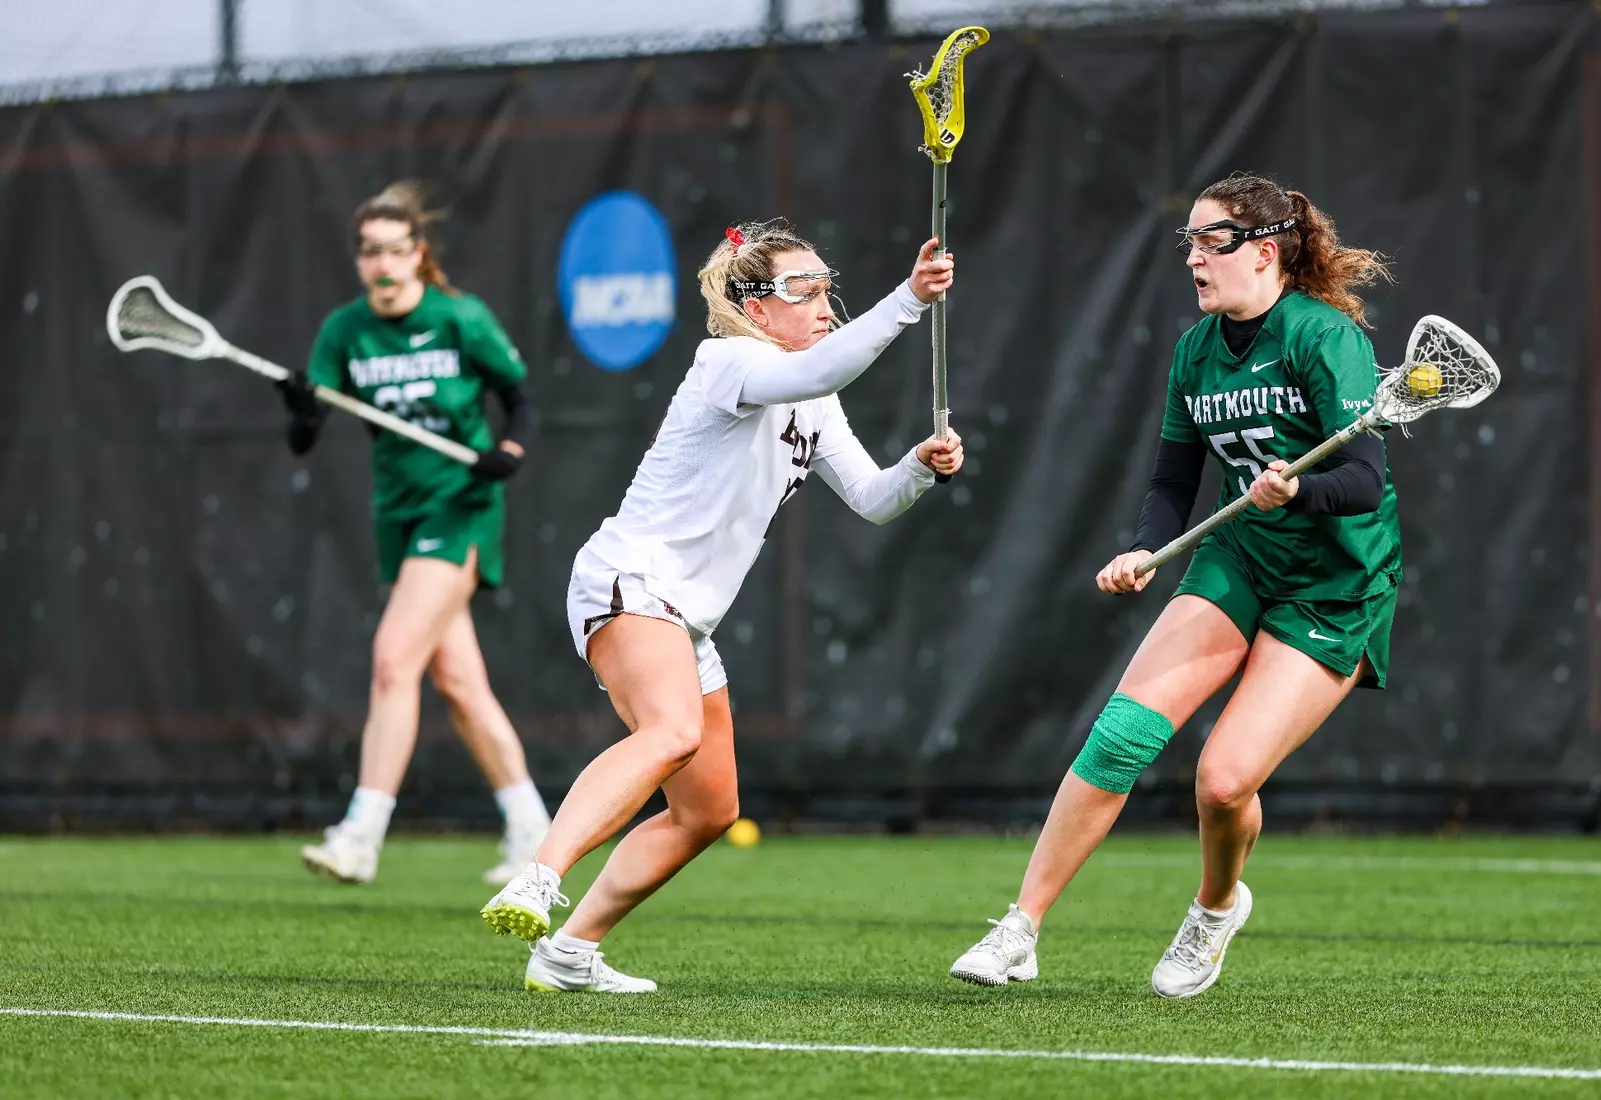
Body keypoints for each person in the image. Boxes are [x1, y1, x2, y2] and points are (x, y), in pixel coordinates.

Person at [479, 219, 964, 994]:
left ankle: (568, 951)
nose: (821, 304)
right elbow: (824, 369)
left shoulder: (815, 392)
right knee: (671, 732)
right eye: (801, 291)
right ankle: (540, 875)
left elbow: (873, 500)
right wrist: (908, 299)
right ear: (754, 306)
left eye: (824, 288)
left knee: (709, 810)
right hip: (630, 581)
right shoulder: (728, 360)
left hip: (687, 618)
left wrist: (918, 464)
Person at [949, 172, 1399, 998]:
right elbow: (1172, 480)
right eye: (1186, 241)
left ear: (1264, 252)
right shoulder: (1196, 351)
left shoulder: (1322, 337)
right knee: (1121, 735)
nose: (1192, 258)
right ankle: (1021, 928)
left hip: (1334, 582)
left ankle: (1217, 907)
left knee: (1224, 782)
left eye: (1211, 241)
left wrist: (1300, 488)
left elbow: (1366, 478)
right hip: (1238, 558)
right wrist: (1147, 549)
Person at [279, 182, 551, 886]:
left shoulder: (460, 318)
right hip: (397, 515)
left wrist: (510, 453)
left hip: (459, 504)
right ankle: (532, 827)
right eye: (370, 252)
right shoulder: (344, 332)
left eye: (396, 251)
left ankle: (360, 834)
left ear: (418, 255)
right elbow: (305, 440)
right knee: (458, 682)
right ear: (360, 260)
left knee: (394, 659)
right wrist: (301, 407)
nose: (383, 265)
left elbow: (519, 399)